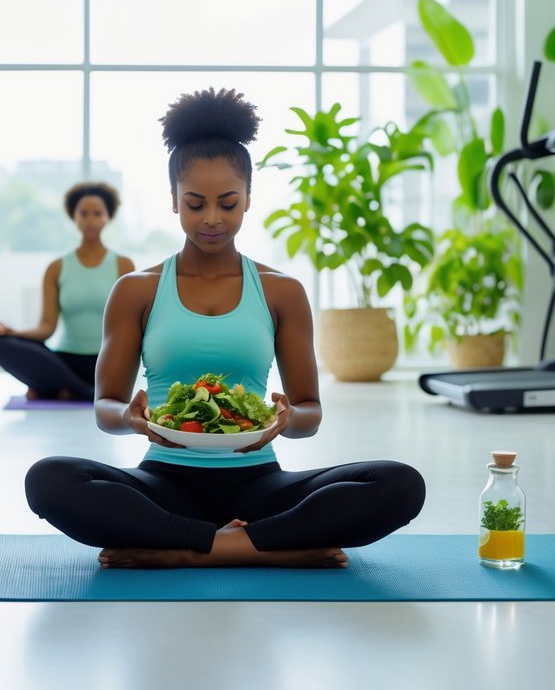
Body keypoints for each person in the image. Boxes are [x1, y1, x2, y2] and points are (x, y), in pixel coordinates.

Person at [23, 88, 426, 569]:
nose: (212, 219)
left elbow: (309, 413)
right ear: (173, 201)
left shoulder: (281, 291)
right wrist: (130, 418)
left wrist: (283, 421)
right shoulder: (136, 289)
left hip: (259, 482)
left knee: (400, 483)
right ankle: (264, 548)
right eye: (195, 204)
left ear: (249, 199)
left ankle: (189, 551)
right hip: (163, 481)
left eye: (228, 203)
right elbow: (105, 407)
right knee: (47, 478)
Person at [0, 182, 135, 400]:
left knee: (59, 384)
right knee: (0, 345)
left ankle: (57, 389)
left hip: (106, 361)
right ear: (73, 216)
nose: (90, 220)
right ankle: (83, 392)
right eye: (83, 213)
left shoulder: (123, 265)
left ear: (108, 217)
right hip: (65, 361)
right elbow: (47, 327)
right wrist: (13, 333)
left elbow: (128, 326)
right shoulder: (57, 267)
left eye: (97, 213)